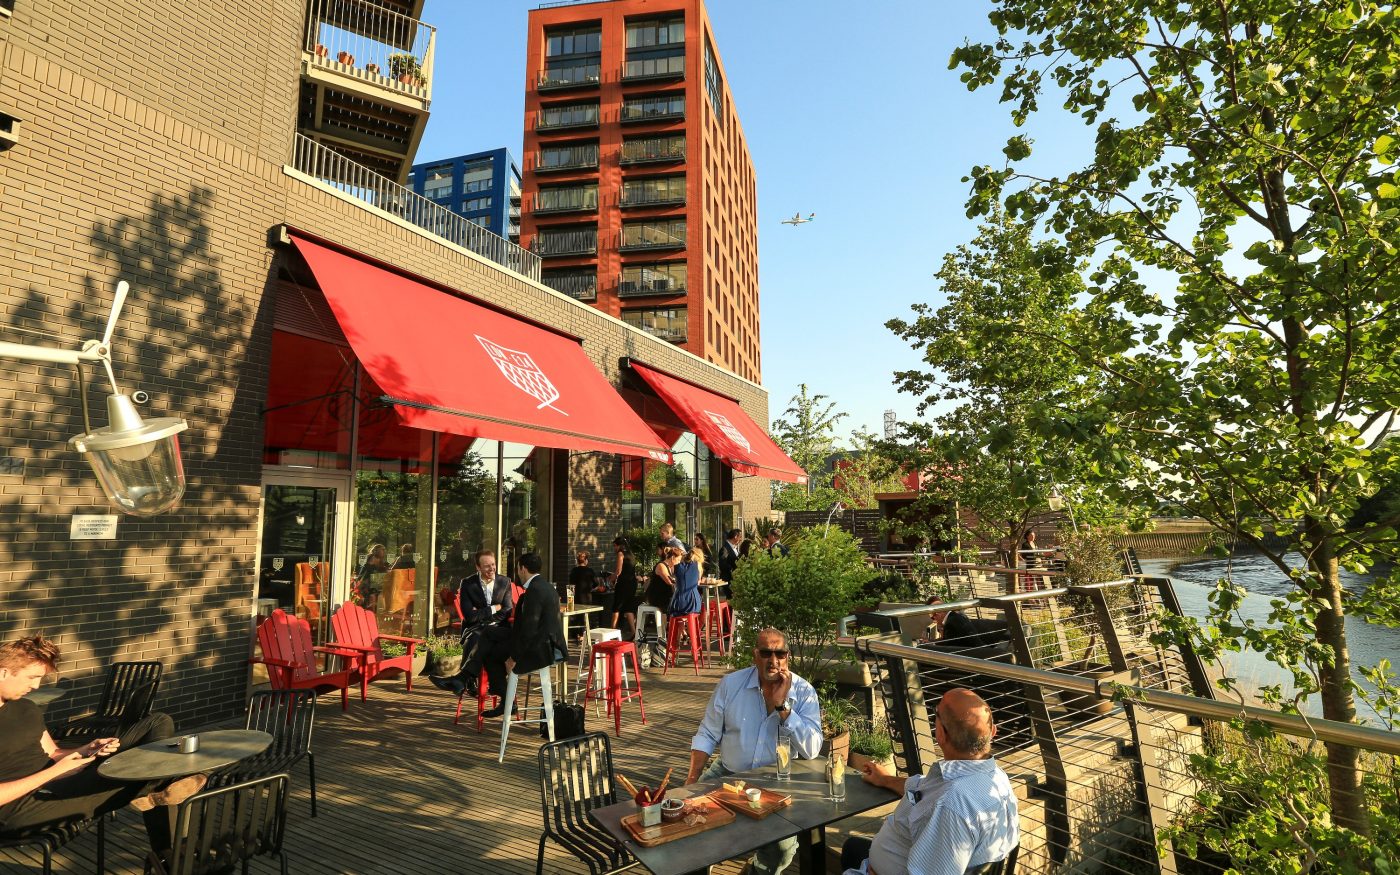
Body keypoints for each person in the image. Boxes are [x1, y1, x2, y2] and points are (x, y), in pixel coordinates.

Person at [0, 635, 205, 849]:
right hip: (20, 809)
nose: (36, 685)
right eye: (31, 677)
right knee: (148, 782)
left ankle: (157, 786)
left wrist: (86, 749)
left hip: (61, 781)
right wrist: (53, 772)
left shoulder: (26, 708)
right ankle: (161, 788)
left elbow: (52, 753)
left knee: (156, 722)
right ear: (4, 672)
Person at [840, 688, 1019, 875]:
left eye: (936, 713)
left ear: (940, 734)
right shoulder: (995, 777)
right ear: (993, 731)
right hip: (890, 856)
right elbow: (924, 792)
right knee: (853, 847)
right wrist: (885, 780)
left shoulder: (950, 805)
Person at [686, 628, 822, 874]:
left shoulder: (803, 692)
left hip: (775, 782)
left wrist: (783, 708)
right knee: (691, 823)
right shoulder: (731, 684)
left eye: (780, 653)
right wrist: (692, 781)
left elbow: (812, 749)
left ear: (787, 656)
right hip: (727, 772)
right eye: (766, 653)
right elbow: (707, 733)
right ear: (755, 655)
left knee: (781, 849)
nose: (773, 660)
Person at [480, 553, 565, 719]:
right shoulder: (547, 586)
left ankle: (506, 700)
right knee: (488, 632)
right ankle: (473, 677)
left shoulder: (534, 591)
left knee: (491, 653)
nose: (518, 572)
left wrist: (513, 657)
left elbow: (529, 630)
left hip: (539, 649)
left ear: (523, 568)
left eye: (518, 568)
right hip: (546, 644)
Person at [429, 550, 514, 697]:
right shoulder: (468, 584)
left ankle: (464, 679)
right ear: (478, 567)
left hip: (499, 629)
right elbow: (469, 617)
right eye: (487, 566)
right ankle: (469, 681)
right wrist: (494, 608)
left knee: (477, 637)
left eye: (493, 564)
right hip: (476, 628)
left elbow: (506, 610)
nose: (491, 568)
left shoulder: (504, 582)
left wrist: (482, 615)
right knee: (475, 636)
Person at [922, 597, 1010, 648]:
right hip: (1000, 638)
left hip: (995, 646)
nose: (933, 620)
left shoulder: (951, 623)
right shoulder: (955, 617)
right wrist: (931, 642)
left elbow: (947, 646)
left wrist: (930, 644)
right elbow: (948, 640)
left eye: (932, 617)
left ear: (937, 613)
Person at [608, 535, 641, 637]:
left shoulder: (620, 554)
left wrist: (610, 580)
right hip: (632, 583)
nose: (614, 548)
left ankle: (612, 631)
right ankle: (633, 631)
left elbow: (618, 571)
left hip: (623, 584)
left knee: (616, 607)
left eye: (615, 546)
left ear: (620, 546)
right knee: (628, 607)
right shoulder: (631, 555)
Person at [669, 546, 703, 617]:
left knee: (673, 611)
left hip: (680, 603)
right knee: (702, 611)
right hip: (695, 603)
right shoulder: (698, 567)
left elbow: (673, 577)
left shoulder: (677, 567)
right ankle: (694, 627)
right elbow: (698, 582)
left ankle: (681, 627)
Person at [355, 543, 390, 611]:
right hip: (366, 582)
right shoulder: (371, 558)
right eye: (382, 550)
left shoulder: (380, 560)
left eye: (384, 550)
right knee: (375, 590)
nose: (384, 551)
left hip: (374, 581)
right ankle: (373, 609)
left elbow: (380, 572)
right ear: (376, 551)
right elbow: (369, 572)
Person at [647, 545, 682, 611]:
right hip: (656, 596)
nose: (679, 562)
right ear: (672, 558)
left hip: (664, 594)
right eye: (678, 560)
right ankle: (668, 619)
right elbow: (669, 582)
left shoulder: (669, 567)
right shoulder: (661, 566)